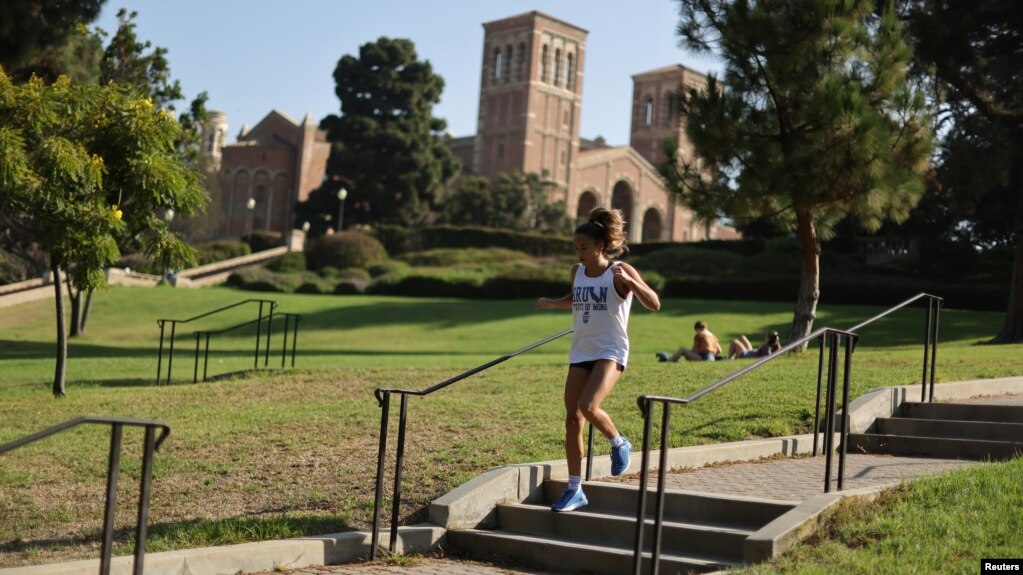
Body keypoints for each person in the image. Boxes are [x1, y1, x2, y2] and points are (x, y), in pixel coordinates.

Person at [536, 207, 661, 513]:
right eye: (576, 248)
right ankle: (575, 488)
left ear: (601, 247)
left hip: (611, 350)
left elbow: (654, 303)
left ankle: (619, 443)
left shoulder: (618, 270)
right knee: (572, 418)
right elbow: (577, 297)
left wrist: (634, 284)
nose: (579, 254)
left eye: (584, 248)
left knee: (588, 406)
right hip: (581, 350)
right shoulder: (576, 272)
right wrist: (554, 304)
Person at [655, 321, 722, 362]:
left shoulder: (699, 335)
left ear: (697, 328)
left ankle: (669, 361)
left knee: (682, 349)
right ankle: (673, 358)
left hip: (704, 358)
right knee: (686, 352)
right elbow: (719, 350)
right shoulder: (713, 336)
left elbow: (694, 349)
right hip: (712, 358)